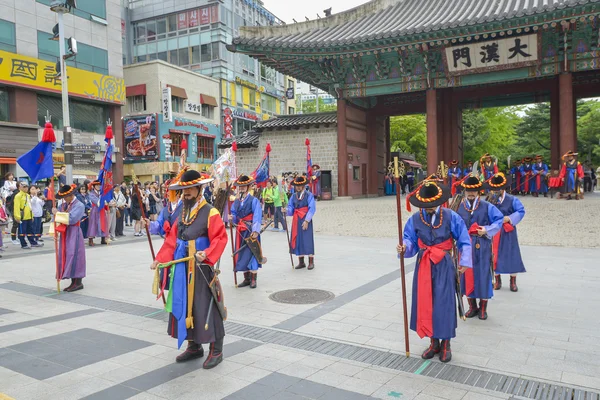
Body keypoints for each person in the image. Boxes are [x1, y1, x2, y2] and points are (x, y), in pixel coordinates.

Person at [150, 170, 228, 368]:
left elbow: (220, 237)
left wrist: (208, 253)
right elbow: (171, 241)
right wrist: (160, 260)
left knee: (206, 306)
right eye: (183, 191)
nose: (185, 194)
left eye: (189, 190)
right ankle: (194, 347)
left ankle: (216, 350)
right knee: (187, 307)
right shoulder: (183, 213)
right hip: (183, 268)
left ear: (199, 189)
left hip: (201, 268)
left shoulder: (210, 211)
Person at [397, 180, 472, 363]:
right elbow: (409, 240)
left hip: (444, 264)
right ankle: (433, 342)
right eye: (426, 205)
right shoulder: (415, 219)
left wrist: (464, 261)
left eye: (432, 205)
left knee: (444, 303)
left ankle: (446, 343)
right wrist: (404, 248)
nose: (429, 208)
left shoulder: (451, 216)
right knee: (426, 302)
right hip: (423, 264)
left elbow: (464, 239)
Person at [456, 176, 503, 320]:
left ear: (478, 192)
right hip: (465, 246)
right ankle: (472, 306)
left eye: (474, 191)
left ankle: (483, 308)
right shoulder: (458, 206)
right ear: (465, 191)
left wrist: (487, 229)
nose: (471, 193)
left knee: (482, 275)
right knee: (466, 273)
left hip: (481, 244)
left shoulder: (487, 206)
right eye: (469, 191)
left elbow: (499, 219)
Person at [484, 173, 526, 292]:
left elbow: (521, 211)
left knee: (511, 254)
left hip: (508, 230)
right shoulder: (489, 200)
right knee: (494, 254)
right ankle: (497, 280)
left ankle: (513, 281)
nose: (495, 191)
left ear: (503, 189)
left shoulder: (512, 199)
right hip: (494, 230)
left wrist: (509, 218)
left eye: (497, 189)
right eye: (493, 189)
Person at [230, 175, 263, 289]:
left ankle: (253, 279)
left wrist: (255, 230)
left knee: (253, 252)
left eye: (244, 186)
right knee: (242, 253)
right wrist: (231, 218)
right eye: (240, 186)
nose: (242, 188)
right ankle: (246, 278)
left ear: (248, 187)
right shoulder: (236, 201)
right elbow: (234, 214)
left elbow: (257, 216)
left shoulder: (254, 200)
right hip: (240, 230)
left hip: (250, 230)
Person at [53, 184, 87, 292]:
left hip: (74, 232)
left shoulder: (79, 205)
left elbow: (72, 219)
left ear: (71, 195)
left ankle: (78, 282)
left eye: (66, 196)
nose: (64, 199)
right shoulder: (64, 205)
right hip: (65, 232)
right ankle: (73, 281)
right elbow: (56, 217)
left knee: (75, 255)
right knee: (67, 255)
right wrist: (54, 232)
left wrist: (57, 213)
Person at [287, 176, 316, 270]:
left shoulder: (309, 195)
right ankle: (301, 261)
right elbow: (291, 208)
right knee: (298, 238)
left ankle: (311, 261)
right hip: (296, 220)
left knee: (307, 239)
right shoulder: (293, 196)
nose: (298, 187)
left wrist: (307, 220)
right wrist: (286, 210)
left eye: (300, 186)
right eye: (296, 186)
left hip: (305, 218)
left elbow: (312, 208)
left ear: (303, 186)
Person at [87, 180, 108, 246]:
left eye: (99, 185)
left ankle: (103, 239)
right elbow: (97, 202)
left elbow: (105, 201)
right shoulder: (91, 194)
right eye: (97, 185)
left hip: (101, 210)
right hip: (95, 210)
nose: (98, 186)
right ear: (93, 186)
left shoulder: (101, 193)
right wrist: (104, 201)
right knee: (93, 224)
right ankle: (90, 240)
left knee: (103, 223)